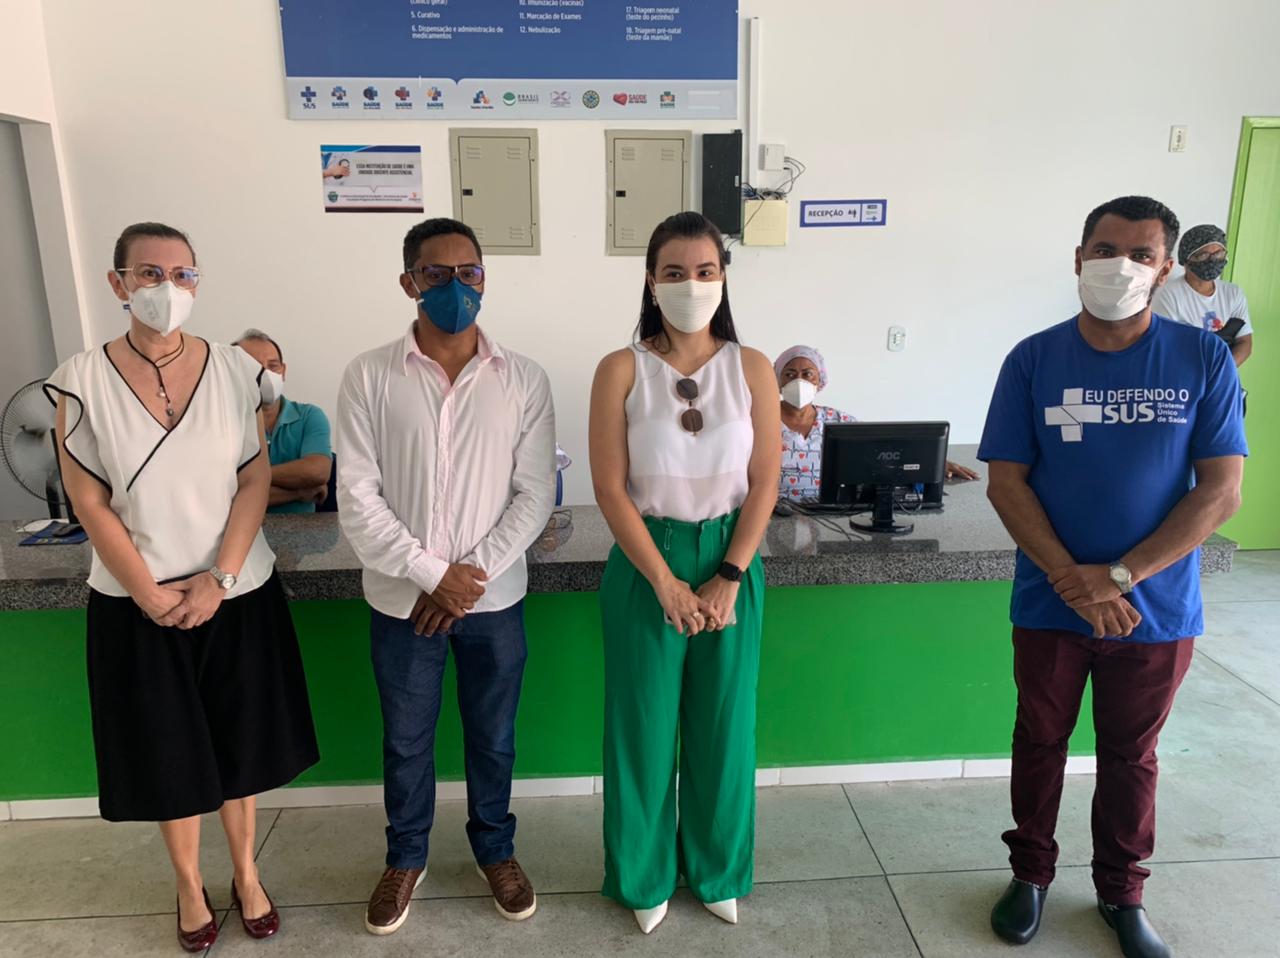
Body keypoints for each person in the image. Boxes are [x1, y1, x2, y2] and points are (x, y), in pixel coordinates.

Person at [979, 196, 1246, 958]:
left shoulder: (1203, 360)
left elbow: (1220, 492)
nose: (1119, 266)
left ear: (1165, 269)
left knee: (1132, 756)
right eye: (1105, 249)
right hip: (1051, 603)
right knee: (1040, 741)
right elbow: (1006, 483)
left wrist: (1121, 576)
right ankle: (1029, 876)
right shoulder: (1033, 360)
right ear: (1078, 258)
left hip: (1155, 608)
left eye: (1140, 254)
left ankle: (1121, 893)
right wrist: (1075, 580)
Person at [44, 222, 319, 953]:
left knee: (240, 748)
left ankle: (246, 874)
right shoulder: (80, 380)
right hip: (137, 602)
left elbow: (254, 478)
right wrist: (147, 591)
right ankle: (189, 884)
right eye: (149, 273)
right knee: (169, 752)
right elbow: (88, 499)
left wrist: (219, 578)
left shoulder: (236, 370)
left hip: (237, 590)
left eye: (183, 274)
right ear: (118, 283)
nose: (167, 288)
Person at [336, 218, 556, 936]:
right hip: (403, 602)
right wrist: (432, 575)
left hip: (494, 600)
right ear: (409, 283)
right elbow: (357, 497)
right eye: (437, 274)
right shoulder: (369, 375)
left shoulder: (524, 379)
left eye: (470, 272)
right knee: (405, 741)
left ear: (485, 278)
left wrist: (469, 577)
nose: (456, 287)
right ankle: (406, 857)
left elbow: (534, 494)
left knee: (493, 736)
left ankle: (496, 849)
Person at [588, 211, 781, 934]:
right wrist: (665, 582)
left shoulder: (751, 367)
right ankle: (642, 875)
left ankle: (717, 869)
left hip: (732, 558)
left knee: (724, 728)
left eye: (705, 271)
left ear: (723, 279)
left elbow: (764, 482)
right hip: (647, 560)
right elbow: (610, 488)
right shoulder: (620, 369)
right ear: (651, 281)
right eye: (674, 272)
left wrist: (728, 574)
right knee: (640, 728)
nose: (691, 285)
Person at [774, 344, 979, 501]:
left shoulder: (837, 421)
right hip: (773, 512)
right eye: (789, 374)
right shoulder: (762, 420)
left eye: (807, 374)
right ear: (777, 380)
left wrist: (933, 463)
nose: (798, 381)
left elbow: (882, 447)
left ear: (820, 381)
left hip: (826, 511)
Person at [234, 329, 333, 513]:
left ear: (284, 371)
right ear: (232, 373)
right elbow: (224, 496)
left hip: (304, 530)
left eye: (273, 366)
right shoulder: (220, 421)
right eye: (254, 367)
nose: (266, 374)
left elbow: (317, 472)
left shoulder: (309, 416)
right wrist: (298, 492)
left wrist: (247, 479)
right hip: (240, 529)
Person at [1152, 224, 1253, 367]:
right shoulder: (1168, 295)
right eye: (1203, 255)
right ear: (1186, 259)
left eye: (1218, 253)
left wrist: (1223, 371)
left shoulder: (1233, 293)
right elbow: (1167, 347)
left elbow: (1244, 342)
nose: (1212, 260)